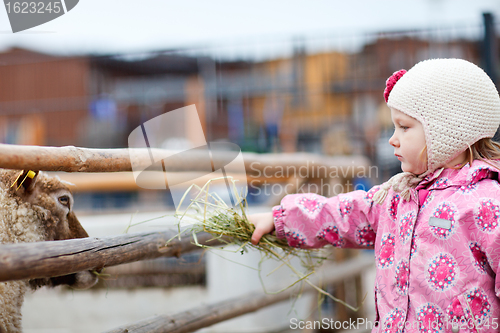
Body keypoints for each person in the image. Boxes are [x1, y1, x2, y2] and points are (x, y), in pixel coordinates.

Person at [249, 58, 500, 333]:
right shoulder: (396, 197)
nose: (393, 138)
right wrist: (281, 219)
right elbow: (345, 214)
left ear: (447, 131)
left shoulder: (486, 204)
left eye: (404, 127)